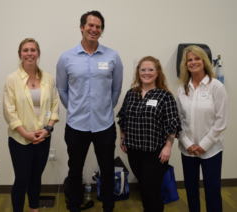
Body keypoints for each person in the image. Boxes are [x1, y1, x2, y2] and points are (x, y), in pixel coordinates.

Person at [56, 10, 123, 212]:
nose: (94, 29)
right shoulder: (66, 58)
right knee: (75, 170)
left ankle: (108, 207)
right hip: (76, 125)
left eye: (98, 27)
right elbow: (62, 89)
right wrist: (74, 108)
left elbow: (116, 89)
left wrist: (104, 107)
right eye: (90, 25)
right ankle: (74, 206)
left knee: (108, 169)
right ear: (82, 27)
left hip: (104, 124)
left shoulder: (112, 56)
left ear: (101, 30)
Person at [117, 56, 181, 212]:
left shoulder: (165, 96)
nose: (146, 73)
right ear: (138, 72)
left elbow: (173, 124)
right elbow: (123, 117)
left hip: (155, 152)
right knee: (144, 189)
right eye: (143, 69)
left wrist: (168, 147)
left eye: (151, 69)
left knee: (151, 191)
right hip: (133, 151)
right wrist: (123, 138)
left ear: (158, 72)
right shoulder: (131, 94)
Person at [3, 38, 59, 212]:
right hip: (20, 139)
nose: (29, 53)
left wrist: (47, 129)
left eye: (33, 50)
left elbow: (54, 104)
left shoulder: (48, 78)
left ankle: (34, 209)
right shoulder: (12, 79)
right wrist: (25, 133)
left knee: (36, 178)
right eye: (25, 50)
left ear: (38, 54)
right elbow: (9, 111)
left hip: (43, 137)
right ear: (20, 54)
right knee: (22, 180)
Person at [176, 45, 228, 212]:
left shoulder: (216, 87)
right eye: (189, 60)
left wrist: (204, 145)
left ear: (204, 61)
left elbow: (221, 121)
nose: (193, 62)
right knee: (191, 190)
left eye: (197, 58)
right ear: (185, 64)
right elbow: (178, 120)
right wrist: (186, 142)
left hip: (211, 149)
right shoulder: (182, 89)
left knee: (212, 190)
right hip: (188, 149)